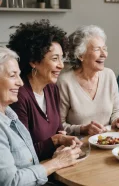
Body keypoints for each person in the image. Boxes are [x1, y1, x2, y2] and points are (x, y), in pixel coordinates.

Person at [0, 47, 82, 186]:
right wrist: (56, 162)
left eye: (19, 75)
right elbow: (11, 181)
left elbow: (29, 160)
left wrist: (56, 155)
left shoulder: (10, 115)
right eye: (13, 75)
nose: (20, 82)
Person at [7, 19, 81, 161]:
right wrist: (55, 141)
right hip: (38, 174)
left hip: (58, 163)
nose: (61, 65)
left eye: (61, 58)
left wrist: (65, 140)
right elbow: (23, 154)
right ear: (34, 61)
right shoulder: (19, 95)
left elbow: (59, 130)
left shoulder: (52, 88)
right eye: (55, 59)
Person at [57, 25, 119, 136]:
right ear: (80, 55)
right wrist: (82, 129)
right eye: (97, 49)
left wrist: (118, 119)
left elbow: (117, 111)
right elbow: (59, 125)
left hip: (110, 141)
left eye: (104, 49)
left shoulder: (109, 75)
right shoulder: (65, 82)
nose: (104, 54)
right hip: (79, 146)